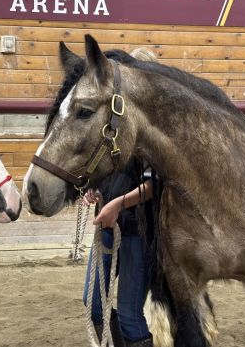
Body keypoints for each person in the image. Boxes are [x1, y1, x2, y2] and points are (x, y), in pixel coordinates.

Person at [82, 48, 159, 347]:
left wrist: (117, 204)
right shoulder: (117, 123)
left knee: (129, 314)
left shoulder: (153, 130)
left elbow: (154, 185)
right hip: (109, 225)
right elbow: (107, 169)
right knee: (94, 306)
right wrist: (95, 188)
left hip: (138, 231)